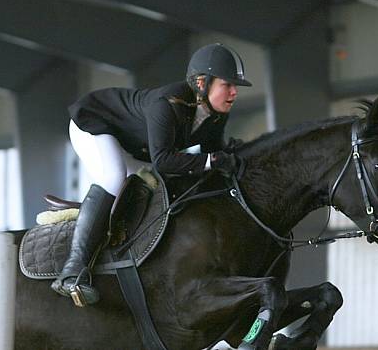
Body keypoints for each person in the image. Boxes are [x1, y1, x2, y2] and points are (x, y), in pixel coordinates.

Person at [51, 43, 252, 306]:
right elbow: (165, 161)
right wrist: (213, 160)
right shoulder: (167, 103)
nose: (234, 92)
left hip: (130, 143)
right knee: (114, 177)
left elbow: (213, 155)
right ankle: (72, 271)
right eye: (227, 85)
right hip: (95, 122)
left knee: (154, 190)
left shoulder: (216, 116)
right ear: (202, 83)